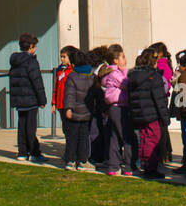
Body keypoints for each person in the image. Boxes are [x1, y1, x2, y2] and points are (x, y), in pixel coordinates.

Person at [127, 51, 169, 178]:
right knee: (153, 139)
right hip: (151, 114)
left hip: (139, 113)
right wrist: (165, 118)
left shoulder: (133, 76)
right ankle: (151, 167)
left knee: (145, 138)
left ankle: (145, 164)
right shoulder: (154, 76)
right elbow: (159, 99)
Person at [8, 33, 46, 163]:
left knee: (22, 126)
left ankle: (22, 152)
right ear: (31, 47)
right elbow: (37, 82)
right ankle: (34, 152)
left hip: (20, 99)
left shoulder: (15, 62)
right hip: (30, 98)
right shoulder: (31, 61)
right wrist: (42, 100)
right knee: (31, 128)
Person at [62, 50, 96, 171]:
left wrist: (68, 108)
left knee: (72, 137)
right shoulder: (91, 75)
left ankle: (70, 160)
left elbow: (69, 94)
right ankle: (82, 160)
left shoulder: (72, 76)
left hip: (75, 111)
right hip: (87, 111)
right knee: (84, 137)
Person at [101, 44, 132, 176]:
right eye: (122, 57)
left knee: (115, 136)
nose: (125, 60)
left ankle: (113, 166)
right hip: (119, 106)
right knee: (126, 135)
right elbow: (126, 84)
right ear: (115, 60)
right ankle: (128, 166)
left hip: (116, 107)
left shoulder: (112, 72)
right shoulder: (115, 73)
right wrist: (124, 70)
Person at [53, 46, 78, 141]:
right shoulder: (61, 70)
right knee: (65, 129)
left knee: (71, 128)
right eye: (61, 57)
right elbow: (56, 87)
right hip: (60, 104)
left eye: (64, 57)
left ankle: (71, 151)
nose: (62, 59)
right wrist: (54, 102)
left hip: (69, 104)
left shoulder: (73, 71)